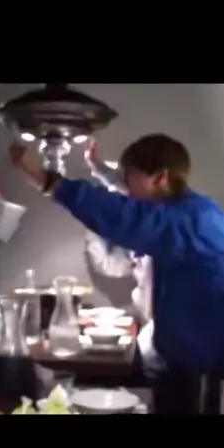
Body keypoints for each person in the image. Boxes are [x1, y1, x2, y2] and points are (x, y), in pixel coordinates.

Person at [10, 134, 224, 414]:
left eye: (129, 178)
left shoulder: (191, 221)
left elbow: (128, 215)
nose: (125, 187)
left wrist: (48, 181)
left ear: (160, 177)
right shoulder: (188, 210)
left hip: (206, 364)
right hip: (184, 352)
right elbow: (134, 199)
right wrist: (99, 169)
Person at [83, 140, 160, 377]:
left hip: (170, 336)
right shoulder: (138, 231)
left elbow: (125, 190)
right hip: (152, 328)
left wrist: (98, 168)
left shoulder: (162, 216)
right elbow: (112, 266)